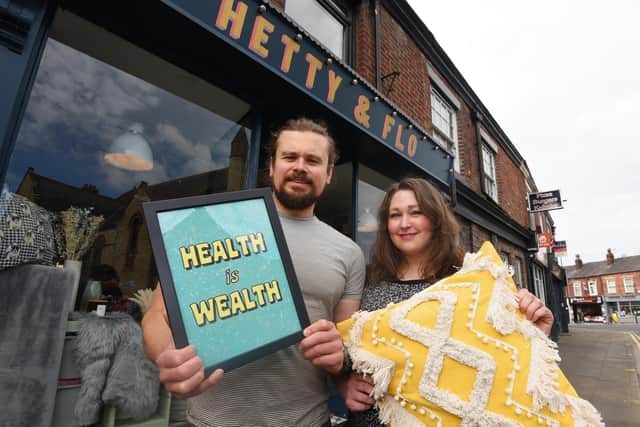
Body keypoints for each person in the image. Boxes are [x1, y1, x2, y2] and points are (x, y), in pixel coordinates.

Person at [141, 117, 366, 426]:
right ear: (271, 167)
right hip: (210, 420)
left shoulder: (349, 252)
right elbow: (158, 314)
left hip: (306, 420)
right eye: (289, 157)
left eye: (312, 160)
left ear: (328, 174)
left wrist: (341, 360)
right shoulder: (212, 223)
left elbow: (347, 340)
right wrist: (168, 354)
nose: (300, 166)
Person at [340, 178, 554, 426]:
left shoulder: (471, 281)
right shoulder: (369, 282)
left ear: (435, 218)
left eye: (416, 212)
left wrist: (535, 335)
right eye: (395, 215)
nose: (405, 223)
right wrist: (344, 383)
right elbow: (347, 352)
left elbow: (504, 366)